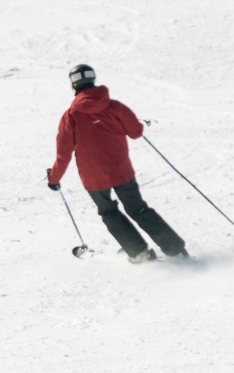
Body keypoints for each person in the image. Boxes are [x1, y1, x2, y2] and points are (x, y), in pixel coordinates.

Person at [47, 64, 188, 263]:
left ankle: (138, 252)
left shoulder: (70, 116)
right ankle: (174, 249)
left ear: (73, 84)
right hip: (121, 171)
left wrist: (53, 179)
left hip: (93, 177)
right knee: (138, 209)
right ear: (93, 79)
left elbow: (63, 154)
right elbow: (136, 133)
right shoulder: (115, 107)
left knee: (108, 211)